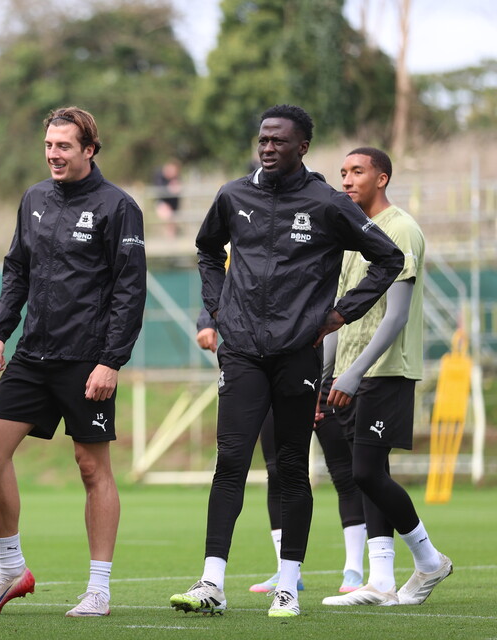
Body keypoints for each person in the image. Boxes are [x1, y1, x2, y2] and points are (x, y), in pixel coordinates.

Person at [169, 104, 403, 618]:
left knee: (293, 467)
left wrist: (341, 313)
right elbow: (207, 250)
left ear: (302, 147)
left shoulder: (327, 203)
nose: (268, 147)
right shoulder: (233, 195)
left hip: (298, 353)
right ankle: (211, 582)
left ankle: (288, 587)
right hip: (242, 351)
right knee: (230, 462)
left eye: (279, 140)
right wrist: (218, 309)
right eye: (263, 140)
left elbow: (389, 258)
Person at [0, 106, 146, 618]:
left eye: (64, 146)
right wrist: (1, 331)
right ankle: (10, 570)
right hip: (33, 354)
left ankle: (99, 589)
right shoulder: (34, 199)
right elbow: (16, 269)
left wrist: (111, 361)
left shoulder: (119, 207)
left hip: (88, 360)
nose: (54, 153)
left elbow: (129, 291)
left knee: (92, 467)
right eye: (49, 145)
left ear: (89, 149)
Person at [320, 147, 452, 607]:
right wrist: (327, 374)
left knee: (365, 471)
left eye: (357, 171)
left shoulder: (401, 229)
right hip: (351, 372)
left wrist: (354, 373)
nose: (347, 179)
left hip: (385, 371)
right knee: (370, 473)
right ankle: (380, 582)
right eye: (343, 172)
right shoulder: (355, 236)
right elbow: (339, 316)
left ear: (383, 178)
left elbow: (395, 317)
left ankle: (430, 560)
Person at [196, 311, 366, 595]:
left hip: (325, 382)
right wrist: (207, 321)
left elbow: (330, 327)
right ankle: (287, 571)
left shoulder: (322, 275)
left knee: (344, 473)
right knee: (276, 471)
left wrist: (318, 386)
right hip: (269, 373)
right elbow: (222, 277)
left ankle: (354, 569)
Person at [153, 159, 183, 236]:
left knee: (172, 220)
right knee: (169, 217)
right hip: (162, 204)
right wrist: (169, 188)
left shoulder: (176, 178)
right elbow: (159, 190)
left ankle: (171, 237)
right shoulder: (159, 176)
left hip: (173, 205)